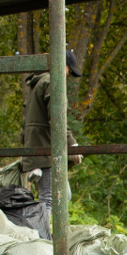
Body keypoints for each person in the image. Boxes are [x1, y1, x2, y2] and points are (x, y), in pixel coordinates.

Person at [21, 48, 84, 207]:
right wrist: (72, 144)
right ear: (62, 65)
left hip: (37, 148)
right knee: (50, 199)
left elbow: (26, 122)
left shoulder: (38, 83)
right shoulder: (51, 82)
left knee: (64, 195)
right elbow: (57, 119)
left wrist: (27, 152)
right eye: (70, 70)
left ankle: (46, 231)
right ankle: (41, 232)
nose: (69, 76)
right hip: (45, 150)